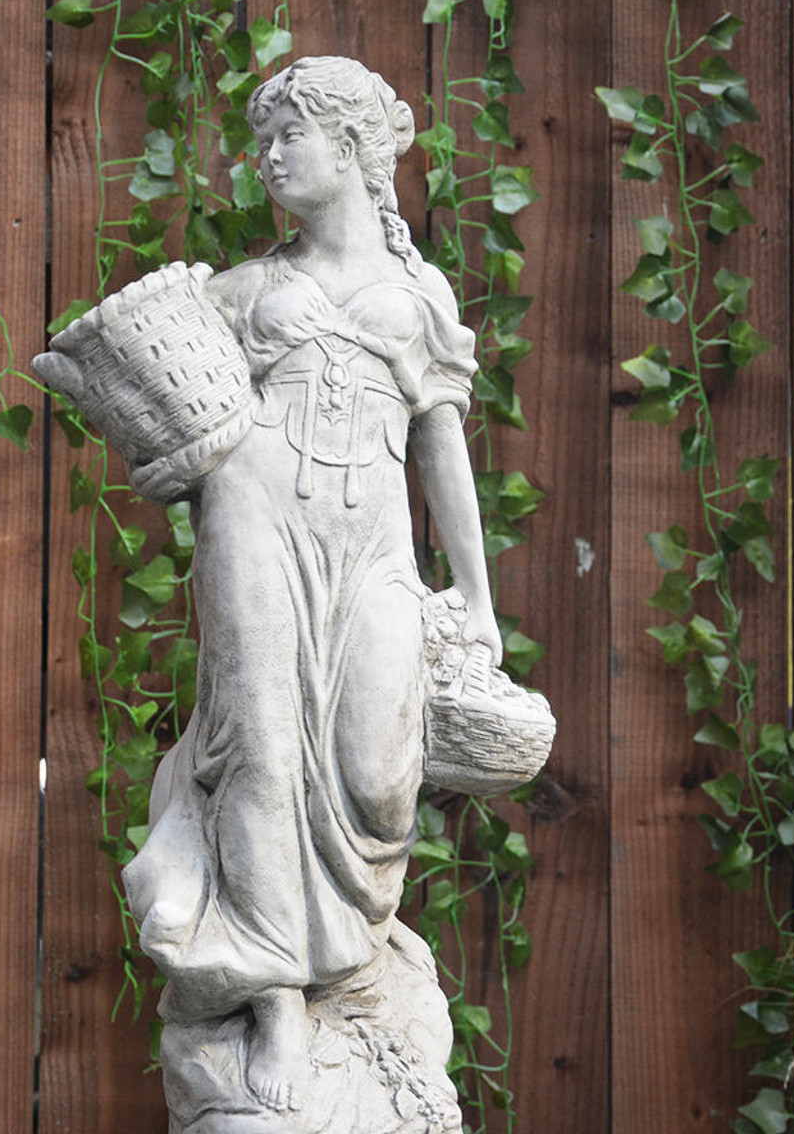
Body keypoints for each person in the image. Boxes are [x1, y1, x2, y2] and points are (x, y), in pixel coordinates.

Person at [121, 57, 500, 1117]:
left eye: (290, 135)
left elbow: (442, 451)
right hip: (253, 524)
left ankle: (351, 964)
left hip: (371, 547)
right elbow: (177, 438)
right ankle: (274, 983)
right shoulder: (238, 293)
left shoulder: (417, 294)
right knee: (258, 750)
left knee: (379, 769)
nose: (270, 156)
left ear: (351, 149)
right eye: (265, 136)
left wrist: (474, 594)